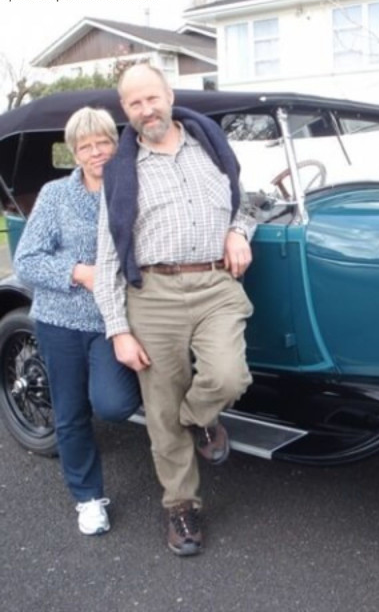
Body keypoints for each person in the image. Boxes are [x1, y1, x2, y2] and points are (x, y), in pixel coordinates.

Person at [94, 64, 256, 556]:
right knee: (160, 411)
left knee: (228, 376)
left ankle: (200, 416)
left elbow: (245, 205)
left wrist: (239, 231)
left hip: (215, 283)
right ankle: (180, 506)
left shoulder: (210, 146)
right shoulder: (121, 171)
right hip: (153, 294)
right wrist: (118, 330)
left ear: (169, 95)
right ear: (126, 111)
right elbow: (106, 257)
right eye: (135, 104)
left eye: (152, 98)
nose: (147, 110)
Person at [13, 107, 141, 536]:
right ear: (73, 152)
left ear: (115, 142)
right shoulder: (55, 195)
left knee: (113, 404)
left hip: (115, 319)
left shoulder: (133, 186)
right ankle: (88, 499)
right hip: (61, 319)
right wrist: (78, 272)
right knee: (69, 414)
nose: (95, 152)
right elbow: (26, 259)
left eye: (102, 142)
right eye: (84, 146)